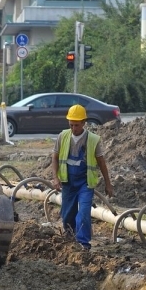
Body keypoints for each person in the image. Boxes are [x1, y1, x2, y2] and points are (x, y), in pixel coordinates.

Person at [51, 103, 114, 250]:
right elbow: (54, 158)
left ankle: (84, 244)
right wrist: (55, 177)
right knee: (67, 215)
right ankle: (70, 239)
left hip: (85, 183)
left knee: (84, 213)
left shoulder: (93, 140)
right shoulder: (63, 136)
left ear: (84, 123)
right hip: (68, 182)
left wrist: (108, 184)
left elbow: (102, 163)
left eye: (77, 125)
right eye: (71, 125)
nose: (73, 128)